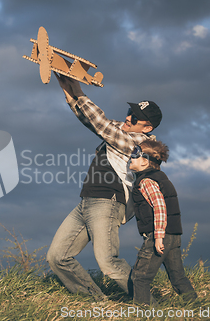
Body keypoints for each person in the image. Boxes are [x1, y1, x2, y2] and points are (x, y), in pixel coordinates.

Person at [46, 74, 163, 301]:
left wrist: (79, 90)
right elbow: (90, 120)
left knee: (108, 262)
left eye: (136, 117)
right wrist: (69, 91)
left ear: (147, 127)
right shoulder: (121, 131)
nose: (129, 117)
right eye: (130, 112)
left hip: (108, 202)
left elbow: (102, 125)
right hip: (87, 201)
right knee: (57, 257)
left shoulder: (140, 145)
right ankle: (97, 304)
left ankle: (152, 306)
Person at [129, 139, 197, 305]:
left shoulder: (146, 181)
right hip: (173, 235)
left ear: (145, 161)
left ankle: (145, 314)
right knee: (178, 277)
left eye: (134, 154)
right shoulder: (161, 178)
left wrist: (158, 236)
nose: (129, 157)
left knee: (140, 277)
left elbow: (160, 207)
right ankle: (198, 310)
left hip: (160, 235)